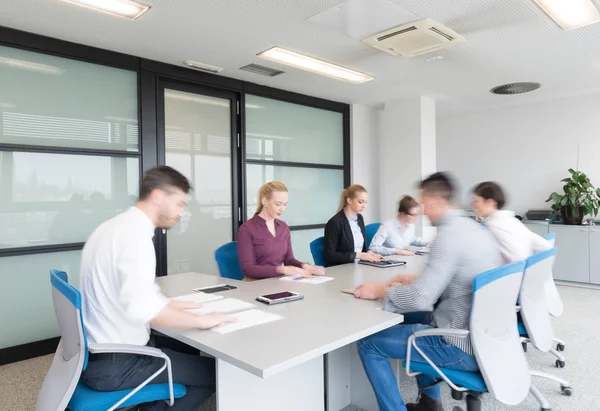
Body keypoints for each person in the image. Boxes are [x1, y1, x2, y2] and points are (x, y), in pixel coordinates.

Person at [80, 166, 235, 411]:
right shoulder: (135, 239)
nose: (181, 213)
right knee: (215, 373)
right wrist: (202, 319)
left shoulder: (112, 228)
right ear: (159, 196)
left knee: (189, 348)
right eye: (180, 204)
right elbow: (146, 311)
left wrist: (170, 304)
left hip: (98, 352)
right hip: (119, 363)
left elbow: (127, 291)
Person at [353, 172, 500, 411]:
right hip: (485, 336)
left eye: (424, 204)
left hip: (460, 344)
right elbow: (454, 278)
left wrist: (380, 290)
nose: (423, 211)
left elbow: (421, 297)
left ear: (436, 200)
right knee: (417, 318)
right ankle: (430, 402)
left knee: (369, 344)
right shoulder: (474, 228)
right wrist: (418, 280)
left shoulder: (448, 235)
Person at [237, 181, 324, 280]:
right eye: (278, 204)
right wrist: (283, 270)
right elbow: (248, 269)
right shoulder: (247, 229)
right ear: (264, 201)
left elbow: (289, 260)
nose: (282, 209)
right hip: (255, 284)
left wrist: (305, 266)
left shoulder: (283, 227)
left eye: (285, 205)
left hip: (278, 281)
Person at [471, 181, 552, 263]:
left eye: (476, 201)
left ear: (490, 203)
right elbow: (546, 247)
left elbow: (518, 260)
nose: (472, 205)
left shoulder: (492, 226)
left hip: (510, 274)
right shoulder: (512, 221)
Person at [324, 184, 383, 267]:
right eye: (360, 202)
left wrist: (369, 254)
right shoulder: (335, 222)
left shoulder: (359, 218)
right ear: (349, 201)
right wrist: (358, 255)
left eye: (365, 202)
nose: (364, 206)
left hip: (358, 266)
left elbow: (361, 248)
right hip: (342, 269)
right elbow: (330, 255)